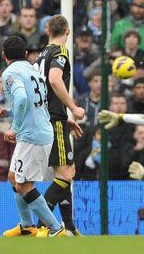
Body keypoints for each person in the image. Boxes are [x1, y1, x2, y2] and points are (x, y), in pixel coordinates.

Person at [0, 36, 71, 237]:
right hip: (40, 130)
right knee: (14, 177)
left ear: (4, 55)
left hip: (31, 135)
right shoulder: (33, 69)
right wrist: (9, 112)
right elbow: (34, 102)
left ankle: (56, 229)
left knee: (23, 184)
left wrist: (14, 127)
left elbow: (21, 98)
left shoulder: (10, 73)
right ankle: (27, 226)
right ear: (25, 54)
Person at [34, 15, 85, 235]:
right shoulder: (60, 52)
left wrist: (66, 117)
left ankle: (69, 227)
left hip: (46, 118)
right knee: (66, 174)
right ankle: (42, 226)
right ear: (68, 32)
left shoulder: (40, 56)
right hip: (53, 119)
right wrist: (72, 107)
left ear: (48, 31)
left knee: (63, 172)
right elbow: (55, 79)